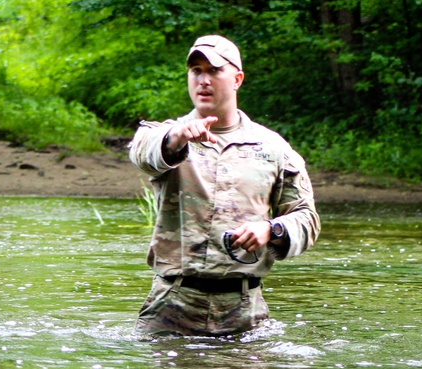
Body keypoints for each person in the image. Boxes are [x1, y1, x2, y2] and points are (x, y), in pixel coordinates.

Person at [129, 34, 320, 336]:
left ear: (237, 79)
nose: (203, 80)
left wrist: (271, 230)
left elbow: (307, 219)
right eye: (196, 71)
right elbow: (144, 153)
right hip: (171, 305)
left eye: (214, 70)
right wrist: (178, 137)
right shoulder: (165, 136)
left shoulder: (273, 148)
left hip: (243, 308)